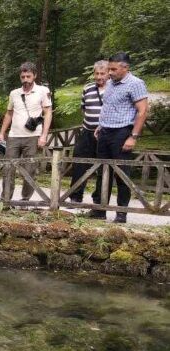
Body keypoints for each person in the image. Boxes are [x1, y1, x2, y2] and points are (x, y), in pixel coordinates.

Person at [91, 52, 148, 223]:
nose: (110, 72)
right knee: (102, 172)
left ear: (125, 67)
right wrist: (100, 125)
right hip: (105, 132)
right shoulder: (109, 83)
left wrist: (133, 136)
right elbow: (109, 106)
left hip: (122, 132)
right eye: (109, 69)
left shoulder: (136, 83)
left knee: (121, 173)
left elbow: (143, 111)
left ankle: (121, 212)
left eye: (113, 69)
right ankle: (100, 210)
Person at [0, 62, 52, 204]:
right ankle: (5, 200)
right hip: (14, 136)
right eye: (23, 77)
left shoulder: (43, 91)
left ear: (34, 76)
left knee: (29, 170)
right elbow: (9, 114)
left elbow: (48, 113)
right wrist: (2, 133)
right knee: (8, 168)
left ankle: (25, 200)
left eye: (28, 76)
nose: (25, 79)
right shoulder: (14, 93)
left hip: (33, 136)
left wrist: (44, 135)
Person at [69, 61, 108, 204]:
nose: (99, 77)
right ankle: (75, 196)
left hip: (105, 134)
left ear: (108, 73)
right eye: (96, 73)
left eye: (102, 73)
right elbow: (83, 108)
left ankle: (98, 199)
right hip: (86, 132)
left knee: (103, 165)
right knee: (79, 163)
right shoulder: (88, 88)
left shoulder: (114, 89)